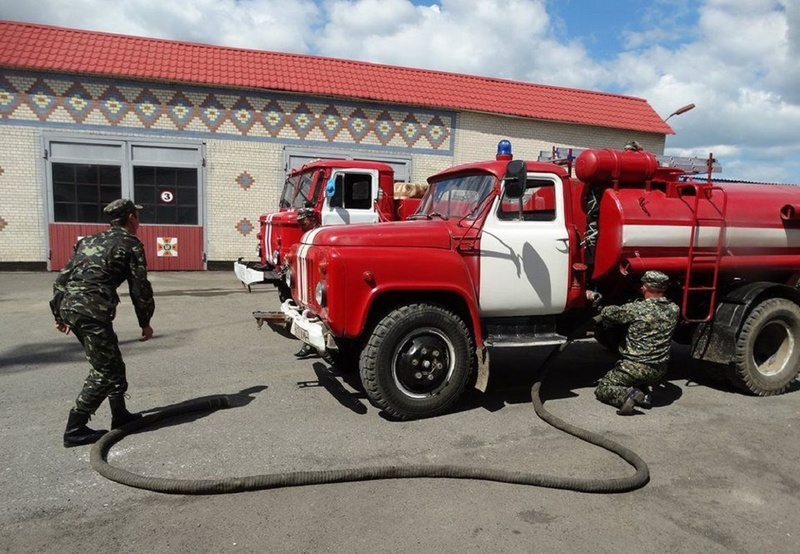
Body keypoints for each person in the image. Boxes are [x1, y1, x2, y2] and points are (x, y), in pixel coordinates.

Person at [51, 199, 155, 447]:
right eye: (137, 216)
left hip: (72, 307)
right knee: (104, 371)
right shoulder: (130, 244)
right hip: (92, 312)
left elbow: (62, 278)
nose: (138, 221)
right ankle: (75, 427)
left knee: (112, 362)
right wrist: (145, 322)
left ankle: (120, 414)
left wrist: (58, 312)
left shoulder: (87, 241)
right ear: (131, 217)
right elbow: (140, 288)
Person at [591, 270, 679, 415]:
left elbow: (608, 312)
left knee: (604, 387)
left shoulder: (636, 309)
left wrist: (595, 299)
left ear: (645, 288)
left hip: (635, 368)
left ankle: (628, 396)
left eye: (643, 285)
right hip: (660, 369)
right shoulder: (674, 309)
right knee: (640, 377)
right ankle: (643, 395)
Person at [294, 207, 320, 360]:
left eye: (303, 221)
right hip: (306, 279)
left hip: (315, 282)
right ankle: (308, 345)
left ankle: (310, 346)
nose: (300, 225)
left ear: (311, 219)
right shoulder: (308, 234)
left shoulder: (319, 234)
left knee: (313, 315)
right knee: (305, 312)